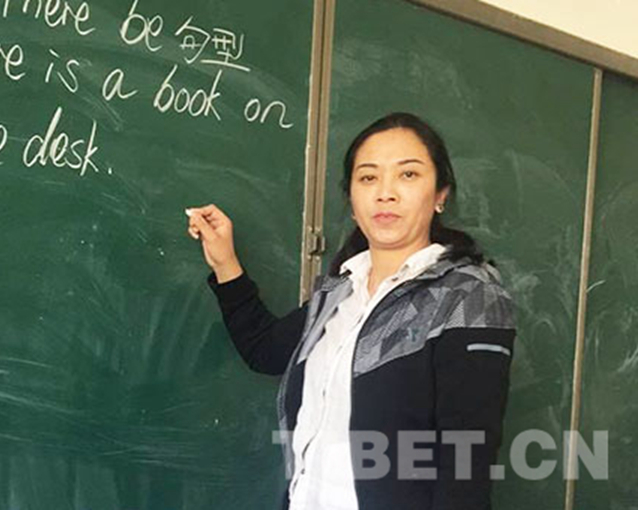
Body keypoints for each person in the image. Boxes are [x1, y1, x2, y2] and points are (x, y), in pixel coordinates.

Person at [186, 112, 517, 510]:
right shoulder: (341, 291)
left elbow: (466, 467)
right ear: (353, 202)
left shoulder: (467, 296)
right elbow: (265, 350)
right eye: (368, 177)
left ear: (440, 194)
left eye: (408, 174)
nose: (385, 193)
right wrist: (225, 262)